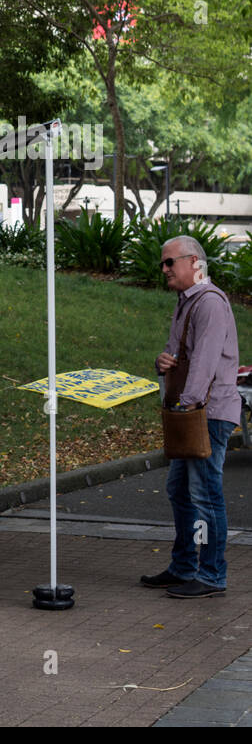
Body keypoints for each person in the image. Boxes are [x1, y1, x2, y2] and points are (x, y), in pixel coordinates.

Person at [143, 235, 240, 598]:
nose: (164, 269)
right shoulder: (188, 303)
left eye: (170, 262)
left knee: (204, 492)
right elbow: (179, 356)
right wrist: (162, 364)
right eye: (163, 263)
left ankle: (212, 575)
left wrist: (186, 404)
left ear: (194, 263)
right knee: (181, 489)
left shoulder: (210, 303)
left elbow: (206, 361)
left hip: (206, 412)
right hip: (193, 409)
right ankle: (184, 567)